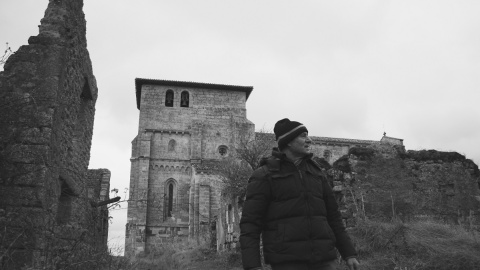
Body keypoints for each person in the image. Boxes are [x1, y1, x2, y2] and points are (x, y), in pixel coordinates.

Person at [240, 118, 360, 270]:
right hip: (287, 262)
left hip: (325, 260)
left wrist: (349, 253)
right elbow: (250, 224)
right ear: (288, 141)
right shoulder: (265, 175)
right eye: (303, 135)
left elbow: (333, 216)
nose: (309, 140)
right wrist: (252, 265)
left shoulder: (317, 173)